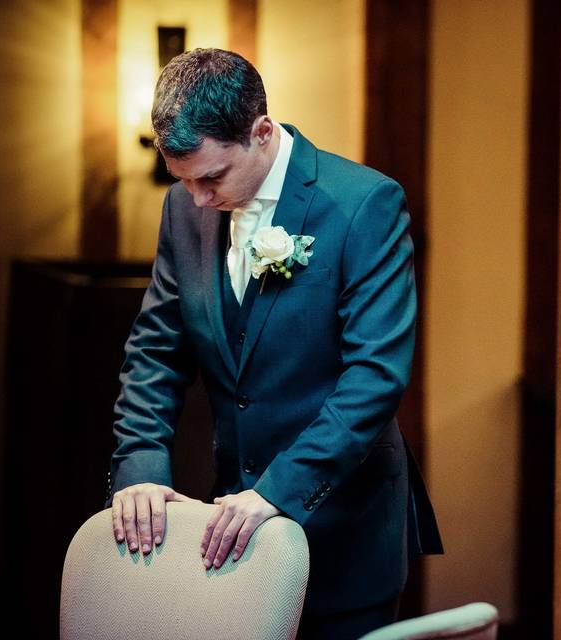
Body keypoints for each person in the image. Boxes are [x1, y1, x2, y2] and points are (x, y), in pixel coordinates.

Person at [103, 48, 443, 638]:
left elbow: (375, 376)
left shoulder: (365, 203)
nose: (200, 200)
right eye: (183, 181)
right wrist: (140, 467)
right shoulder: (183, 208)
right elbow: (155, 351)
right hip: (229, 532)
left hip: (344, 526)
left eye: (211, 178)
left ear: (262, 132)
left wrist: (277, 492)